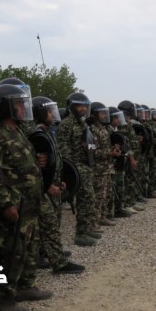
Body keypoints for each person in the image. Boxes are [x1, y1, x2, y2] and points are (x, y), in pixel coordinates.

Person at [0, 84, 52, 311]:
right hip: (14, 204)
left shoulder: (18, 130)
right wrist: (6, 203)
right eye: (19, 103)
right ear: (5, 106)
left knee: (29, 247)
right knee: (9, 252)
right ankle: (4, 299)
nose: (23, 107)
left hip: (29, 203)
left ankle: (26, 286)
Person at [31, 96, 85, 274]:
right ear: (40, 113)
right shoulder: (37, 134)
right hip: (42, 189)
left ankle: (45, 254)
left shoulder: (48, 131)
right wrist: (47, 185)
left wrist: (58, 180)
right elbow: (37, 167)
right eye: (49, 111)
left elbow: (54, 161)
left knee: (50, 223)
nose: (53, 114)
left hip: (51, 185)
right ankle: (59, 262)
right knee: (50, 225)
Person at [56, 92, 100, 246]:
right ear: (72, 107)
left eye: (85, 106)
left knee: (88, 199)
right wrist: (72, 169)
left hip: (85, 166)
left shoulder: (83, 123)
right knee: (86, 198)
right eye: (80, 106)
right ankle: (80, 234)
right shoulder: (66, 124)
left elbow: (91, 144)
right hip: (75, 168)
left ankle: (86, 229)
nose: (83, 109)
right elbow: (63, 149)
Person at [88, 102, 120, 227]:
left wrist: (114, 148)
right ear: (95, 114)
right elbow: (92, 151)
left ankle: (102, 217)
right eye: (102, 113)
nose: (105, 115)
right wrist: (110, 152)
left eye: (105, 113)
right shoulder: (92, 130)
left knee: (106, 195)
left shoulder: (103, 128)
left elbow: (104, 146)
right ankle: (94, 222)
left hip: (107, 168)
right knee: (98, 197)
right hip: (98, 169)